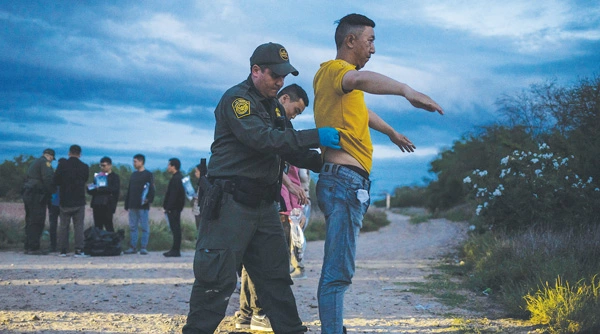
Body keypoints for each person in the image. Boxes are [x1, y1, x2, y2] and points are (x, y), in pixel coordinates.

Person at [183, 42, 338, 334]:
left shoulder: (274, 108)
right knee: (215, 280)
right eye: (274, 76)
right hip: (231, 204)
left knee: (275, 280)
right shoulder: (237, 101)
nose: (280, 82)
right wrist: (317, 135)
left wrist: (328, 164)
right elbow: (262, 139)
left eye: (283, 78)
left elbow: (291, 149)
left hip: (264, 207)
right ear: (256, 71)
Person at [313, 13, 444, 333]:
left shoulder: (336, 83)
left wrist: (391, 133)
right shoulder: (338, 71)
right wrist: (405, 90)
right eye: (370, 40)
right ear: (350, 40)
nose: (373, 48)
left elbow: (362, 110)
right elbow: (360, 82)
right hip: (343, 181)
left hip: (341, 181)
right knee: (337, 274)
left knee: (338, 271)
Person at [235, 84, 312, 331]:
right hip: (268, 205)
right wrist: (290, 188)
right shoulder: (265, 123)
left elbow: (278, 162)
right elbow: (273, 158)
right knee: (270, 262)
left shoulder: (277, 125)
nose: (294, 116)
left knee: (253, 262)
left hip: (270, 203)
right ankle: (259, 314)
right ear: (285, 98)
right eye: (295, 110)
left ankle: (246, 314)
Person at [54, 145, 90, 257]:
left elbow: (55, 180)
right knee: (78, 226)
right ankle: (79, 250)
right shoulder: (84, 166)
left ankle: (63, 250)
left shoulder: (62, 165)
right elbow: (85, 179)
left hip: (65, 200)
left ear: (69, 153)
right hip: (79, 200)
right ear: (80, 154)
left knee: (63, 226)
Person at [22, 148, 55, 255]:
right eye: (51, 159)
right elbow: (48, 178)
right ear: (50, 156)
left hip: (28, 193)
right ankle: (34, 247)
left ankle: (28, 245)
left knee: (30, 219)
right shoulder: (45, 163)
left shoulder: (35, 162)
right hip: (37, 195)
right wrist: (51, 192)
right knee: (37, 220)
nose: (51, 161)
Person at [123, 154, 155, 255]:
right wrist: (127, 203)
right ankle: (133, 247)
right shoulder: (133, 175)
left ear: (141, 162)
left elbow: (151, 189)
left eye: (135, 161)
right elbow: (129, 190)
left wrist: (149, 199)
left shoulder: (148, 174)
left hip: (143, 205)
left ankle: (143, 247)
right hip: (133, 204)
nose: (134, 163)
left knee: (144, 227)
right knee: (133, 227)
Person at [87, 156, 120, 232]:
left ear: (109, 165)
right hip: (97, 204)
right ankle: (99, 243)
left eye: (104, 165)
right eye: (101, 165)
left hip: (108, 205)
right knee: (97, 227)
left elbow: (115, 189)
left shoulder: (114, 177)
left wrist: (101, 189)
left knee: (108, 226)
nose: (102, 167)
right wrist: (90, 188)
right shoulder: (98, 176)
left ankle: (111, 242)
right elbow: (93, 190)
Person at [163, 157, 185, 257]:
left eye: (169, 165)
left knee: (175, 229)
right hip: (176, 208)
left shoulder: (176, 178)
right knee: (176, 228)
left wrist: (168, 207)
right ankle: (175, 249)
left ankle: (175, 250)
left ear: (173, 166)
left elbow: (174, 195)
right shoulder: (178, 177)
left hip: (174, 208)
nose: (168, 167)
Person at [47, 157, 66, 253]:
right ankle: (63, 245)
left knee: (53, 224)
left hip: (54, 202)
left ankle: (53, 245)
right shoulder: (67, 177)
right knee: (64, 225)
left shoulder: (54, 175)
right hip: (63, 203)